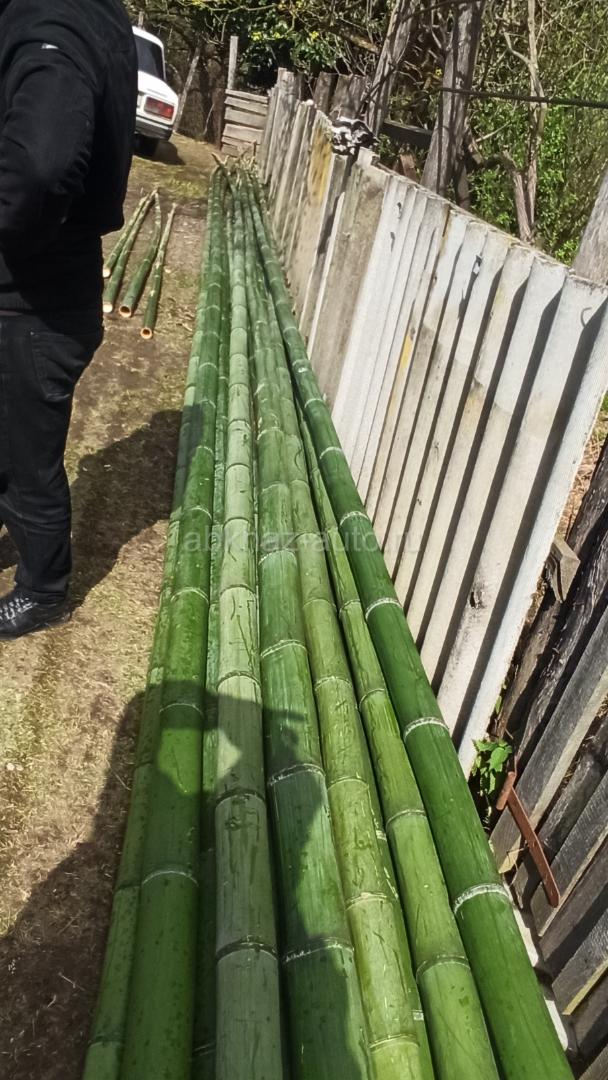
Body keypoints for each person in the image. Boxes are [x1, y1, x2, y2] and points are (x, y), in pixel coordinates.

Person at [0, 0, 137, 639]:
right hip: (48, 286)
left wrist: (17, 244)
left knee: (29, 460)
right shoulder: (100, 13)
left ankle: (44, 589)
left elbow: (42, 166)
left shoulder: (52, 21)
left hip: (33, 300)